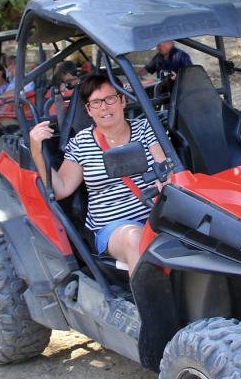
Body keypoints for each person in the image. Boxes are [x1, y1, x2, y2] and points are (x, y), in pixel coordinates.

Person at [29, 73, 168, 270]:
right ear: (89, 110)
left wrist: (164, 183)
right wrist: (37, 151)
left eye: (110, 98)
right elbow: (61, 189)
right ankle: (151, 301)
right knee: (136, 239)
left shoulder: (144, 128)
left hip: (156, 215)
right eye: (95, 102)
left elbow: (164, 169)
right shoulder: (81, 144)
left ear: (122, 100)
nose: (104, 107)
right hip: (115, 226)